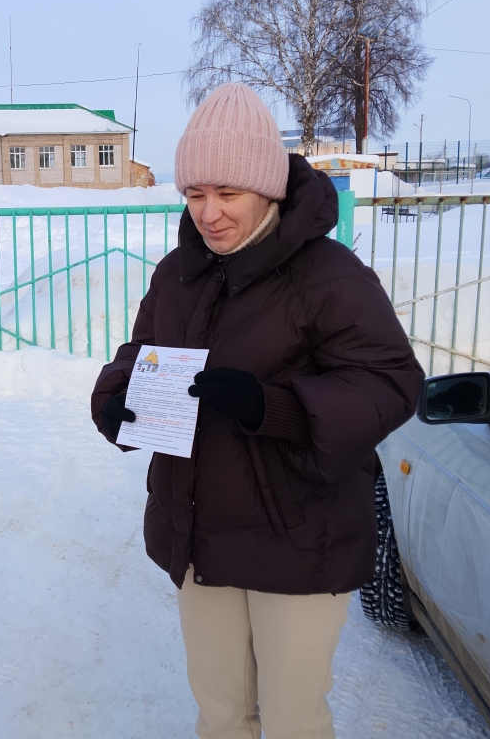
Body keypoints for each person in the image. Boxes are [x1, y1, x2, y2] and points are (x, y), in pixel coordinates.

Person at [91, 83, 425, 739]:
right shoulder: (178, 274)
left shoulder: (328, 275)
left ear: (268, 189)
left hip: (299, 538)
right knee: (222, 716)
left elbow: (391, 382)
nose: (208, 214)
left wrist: (274, 407)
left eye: (227, 193)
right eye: (194, 194)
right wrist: (118, 401)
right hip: (200, 535)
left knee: (293, 721)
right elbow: (140, 356)